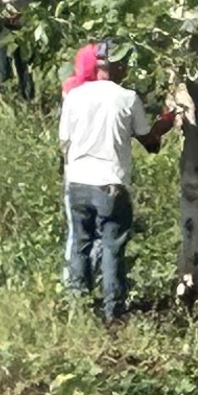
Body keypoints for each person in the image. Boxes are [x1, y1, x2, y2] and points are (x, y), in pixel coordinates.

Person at [54, 41, 163, 325]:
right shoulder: (127, 98)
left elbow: (64, 141)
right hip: (110, 184)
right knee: (112, 246)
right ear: (116, 66)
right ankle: (113, 311)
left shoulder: (74, 97)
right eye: (125, 63)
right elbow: (149, 142)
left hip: (77, 181)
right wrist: (166, 122)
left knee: (80, 242)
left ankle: (77, 306)